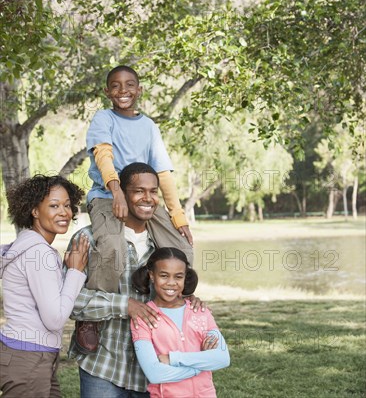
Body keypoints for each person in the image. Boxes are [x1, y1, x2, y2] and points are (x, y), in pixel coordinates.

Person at [68, 162, 203, 398]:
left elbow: (174, 296)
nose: (148, 198)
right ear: (121, 193)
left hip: (151, 372)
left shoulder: (166, 248)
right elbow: (70, 301)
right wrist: (126, 305)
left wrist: (191, 302)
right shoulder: (89, 239)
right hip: (102, 366)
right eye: (139, 191)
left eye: (153, 191)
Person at [85, 65, 193, 296]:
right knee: (112, 248)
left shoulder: (149, 126)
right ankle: (92, 316)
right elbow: (104, 156)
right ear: (107, 92)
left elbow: (162, 172)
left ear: (139, 90)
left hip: (143, 198)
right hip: (107, 196)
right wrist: (117, 193)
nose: (123, 90)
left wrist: (177, 214)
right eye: (115, 86)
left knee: (182, 247)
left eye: (129, 85)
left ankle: (179, 303)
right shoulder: (103, 118)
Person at [0, 174, 89, 398]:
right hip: (29, 357)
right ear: (34, 210)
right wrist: (76, 272)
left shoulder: (26, 244)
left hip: (29, 354)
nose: (64, 212)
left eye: (67, 205)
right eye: (54, 205)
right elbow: (55, 319)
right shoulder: (40, 253)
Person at [131, 247, 230, 398]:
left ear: (185, 277)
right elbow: (155, 373)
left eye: (178, 277)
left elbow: (222, 358)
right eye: (164, 276)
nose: (171, 283)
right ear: (152, 275)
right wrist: (201, 365)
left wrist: (173, 359)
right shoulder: (143, 318)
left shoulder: (200, 311)